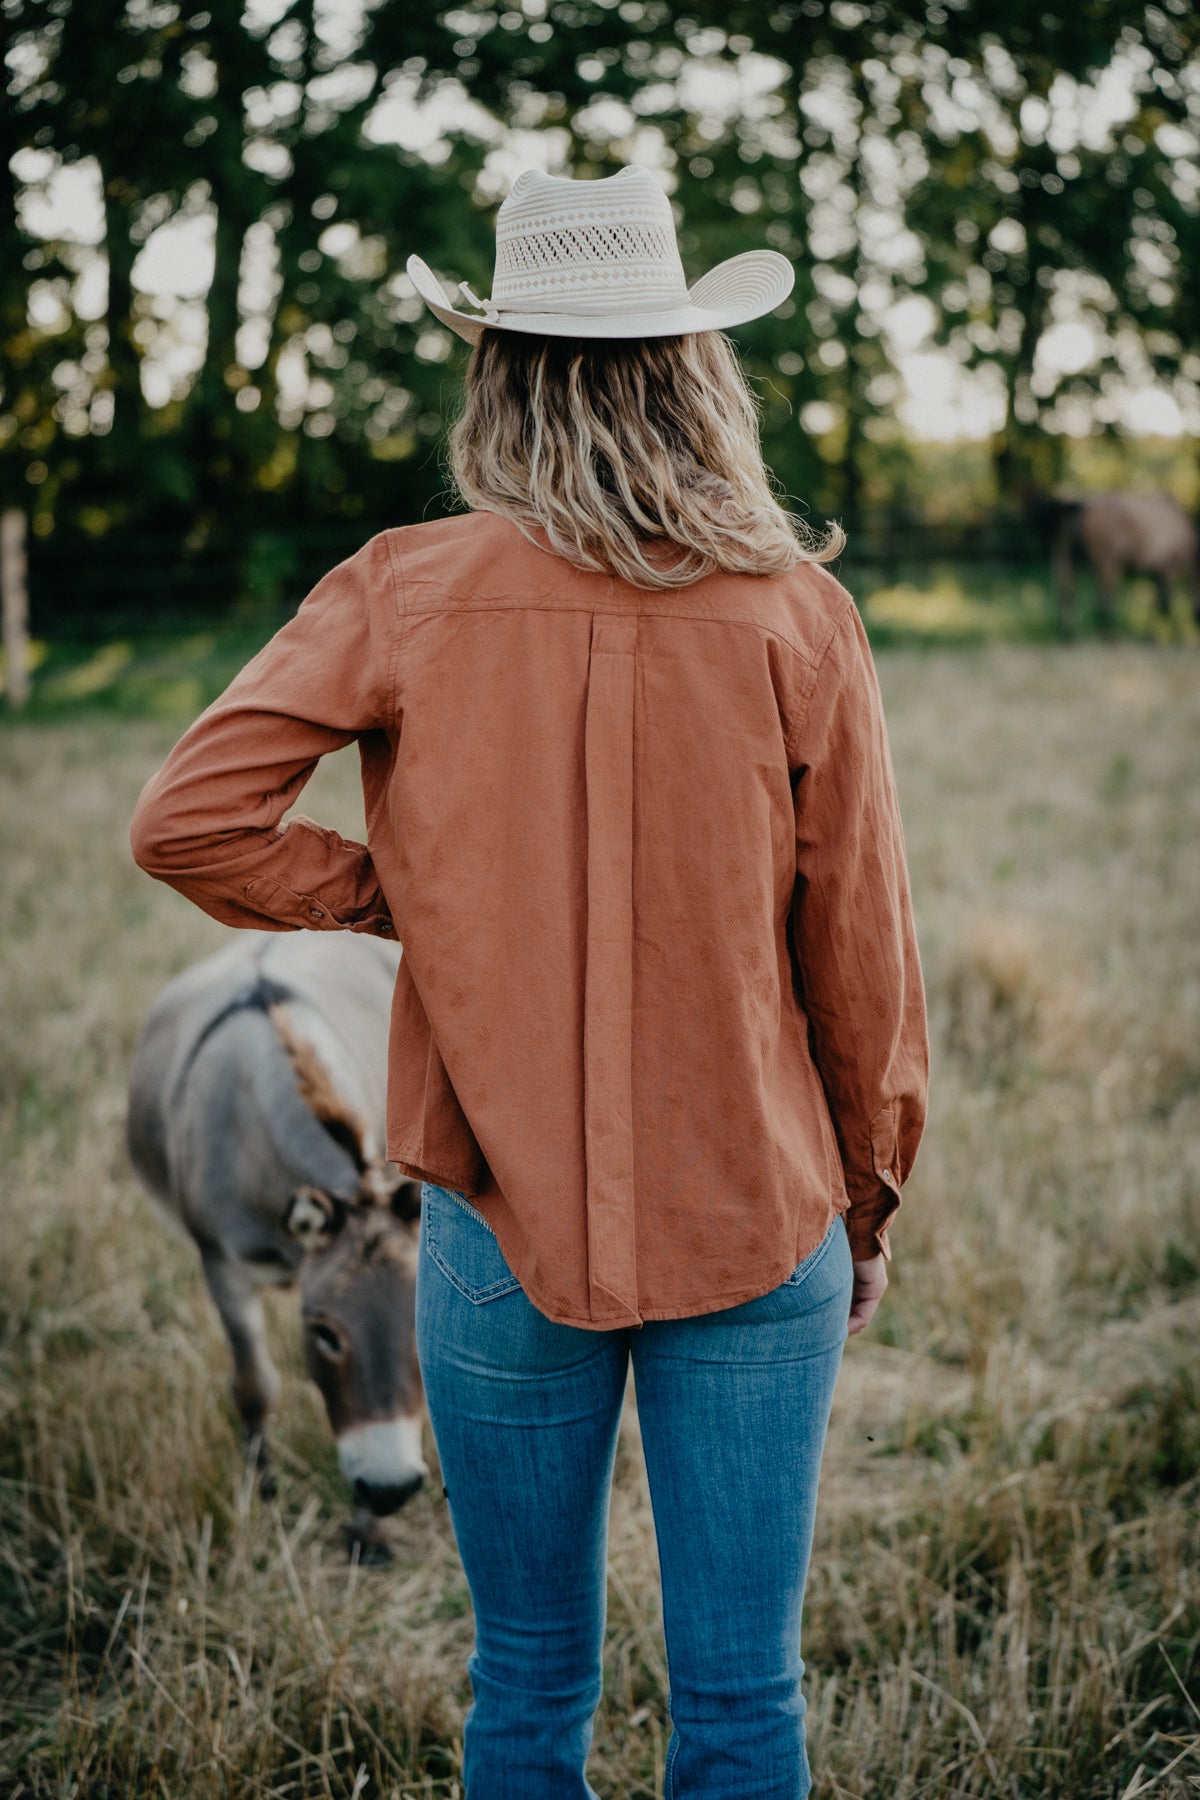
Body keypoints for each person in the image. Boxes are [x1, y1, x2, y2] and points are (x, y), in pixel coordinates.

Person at [131, 165, 928, 1800]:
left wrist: (394, 900)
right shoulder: (798, 612)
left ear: (496, 370)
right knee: (741, 1701)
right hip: (762, 1212)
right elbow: (864, 959)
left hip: (491, 1225)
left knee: (527, 1689)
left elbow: (187, 822)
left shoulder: (402, 591)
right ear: (696, 368)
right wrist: (870, 1199)